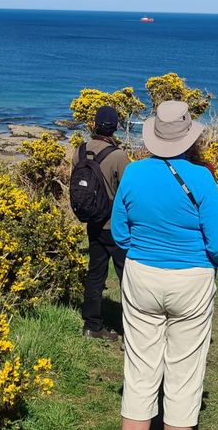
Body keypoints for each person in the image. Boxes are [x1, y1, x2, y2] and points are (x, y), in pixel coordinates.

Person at [112, 100, 218, 430]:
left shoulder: (133, 172)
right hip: (191, 280)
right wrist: (209, 263)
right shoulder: (202, 178)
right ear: (189, 136)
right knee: (184, 374)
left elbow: (120, 234)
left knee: (139, 372)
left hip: (141, 276)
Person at [72, 104, 131, 341]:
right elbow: (128, 192)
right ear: (115, 127)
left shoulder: (80, 150)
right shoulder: (118, 156)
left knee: (95, 274)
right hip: (115, 226)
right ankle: (131, 328)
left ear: (94, 125)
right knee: (127, 277)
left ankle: (92, 325)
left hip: (92, 222)